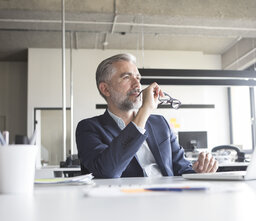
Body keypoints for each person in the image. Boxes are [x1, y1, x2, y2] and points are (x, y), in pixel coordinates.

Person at [76, 53, 218, 178]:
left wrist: (198, 172)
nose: (137, 84)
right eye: (127, 77)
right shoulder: (89, 128)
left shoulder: (160, 123)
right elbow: (107, 171)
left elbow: (182, 169)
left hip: (168, 200)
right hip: (123, 204)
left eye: (138, 78)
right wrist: (145, 110)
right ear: (105, 89)